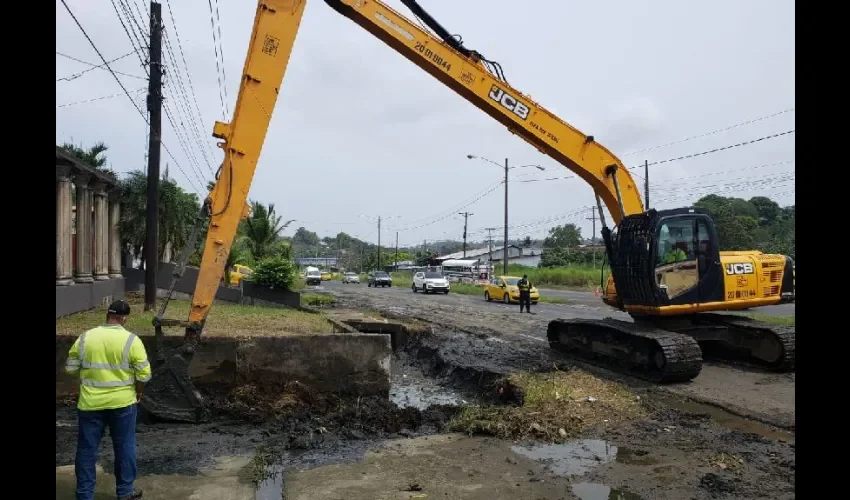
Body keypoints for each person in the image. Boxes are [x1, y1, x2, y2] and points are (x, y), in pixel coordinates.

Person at [65, 299, 151, 500]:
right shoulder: (132, 340)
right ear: (125, 318)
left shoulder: (85, 338)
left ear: (107, 315)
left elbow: (70, 368)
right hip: (123, 404)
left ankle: (84, 495)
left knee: (87, 450)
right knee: (124, 446)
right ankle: (125, 492)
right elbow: (144, 375)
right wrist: (139, 391)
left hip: (90, 405)